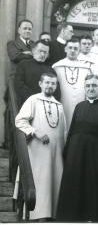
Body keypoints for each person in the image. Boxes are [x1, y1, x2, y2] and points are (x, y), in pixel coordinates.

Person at [56, 74, 98, 222]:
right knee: (74, 187)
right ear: (84, 88)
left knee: (94, 187)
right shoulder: (79, 106)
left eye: (94, 85)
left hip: (97, 154)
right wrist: (68, 153)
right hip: (76, 155)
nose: (91, 88)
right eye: (88, 86)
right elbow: (72, 131)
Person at [15, 72, 66, 221]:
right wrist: (36, 133)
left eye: (53, 83)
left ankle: (52, 215)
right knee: (40, 182)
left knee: (55, 181)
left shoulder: (59, 105)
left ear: (56, 86)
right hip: (38, 151)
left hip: (56, 152)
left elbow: (64, 130)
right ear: (40, 84)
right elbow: (20, 120)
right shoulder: (33, 100)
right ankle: (37, 216)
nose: (50, 85)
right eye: (47, 82)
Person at [52, 38, 92, 130]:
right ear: (65, 49)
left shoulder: (86, 68)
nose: (73, 50)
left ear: (79, 50)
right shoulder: (56, 66)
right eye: (70, 48)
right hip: (62, 102)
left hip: (81, 102)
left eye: (75, 48)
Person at [14, 40, 60, 107]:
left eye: (45, 52)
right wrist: (35, 100)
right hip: (28, 104)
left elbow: (57, 90)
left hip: (47, 105)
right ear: (33, 50)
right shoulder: (23, 64)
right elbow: (19, 85)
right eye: (40, 51)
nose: (42, 54)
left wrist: (49, 102)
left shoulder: (51, 69)